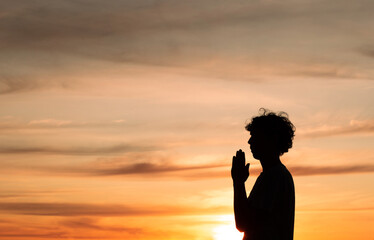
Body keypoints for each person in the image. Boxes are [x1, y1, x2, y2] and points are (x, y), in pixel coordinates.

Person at [231, 109, 296, 240]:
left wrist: (238, 182)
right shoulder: (274, 176)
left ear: (271, 139)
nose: (250, 142)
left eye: (255, 136)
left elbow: (243, 223)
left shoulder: (275, 177)